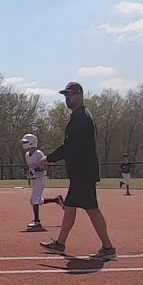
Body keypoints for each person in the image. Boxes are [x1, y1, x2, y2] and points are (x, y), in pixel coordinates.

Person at [40, 82, 117, 261]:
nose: (67, 98)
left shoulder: (81, 118)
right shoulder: (79, 116)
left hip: (84, 172)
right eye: (66, 95)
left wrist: (49, 158)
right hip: (81, 172)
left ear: (80, 95)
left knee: (91, 209)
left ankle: (108, 247)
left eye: (71, 95)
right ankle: (60, 243)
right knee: (70, 208)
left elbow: (70, 147)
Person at [22, 134, 49, 231]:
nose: (24, 144)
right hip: (34, 179)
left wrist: (35, 170)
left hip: (41, 178)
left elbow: (45, 166)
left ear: (31, 142)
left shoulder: (38, 153)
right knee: (38, 200)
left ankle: (37, 222)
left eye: (25, 142)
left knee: (34, 199)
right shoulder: (27, 155)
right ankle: (57, 200)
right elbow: (31, 168)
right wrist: (30, 175)